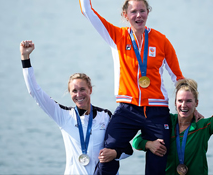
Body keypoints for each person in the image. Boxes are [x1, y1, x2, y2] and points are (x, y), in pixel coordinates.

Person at [76, 0, 195, 175]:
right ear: (125, 14)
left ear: (148, 12)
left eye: (142, 11)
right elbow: (88, 12)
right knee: (106, 153)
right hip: (127, 110)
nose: (138, 15)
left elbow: (178, 78)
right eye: (133, 12)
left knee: (158, 159)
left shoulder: (161, 41)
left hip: (157, 110)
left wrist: (192, 107)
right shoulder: (117, 37)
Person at [20, 40, 132, 175]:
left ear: (90, 90)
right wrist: (25, 58)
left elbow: (127, 150)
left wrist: (114, 153)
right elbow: (35, 92)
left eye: (82, 89)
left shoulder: (105, 116)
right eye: (74, 91)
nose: (79, 95)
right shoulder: (63, 115)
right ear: (69, 93)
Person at [132, 61, 213, 175]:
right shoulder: (165, 122)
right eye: (180, 101)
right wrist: (149, 145)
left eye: (188, 101)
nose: (183, 105)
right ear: (175, 102)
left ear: (196, 103)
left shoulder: (203, 127)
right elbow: (136, 141)